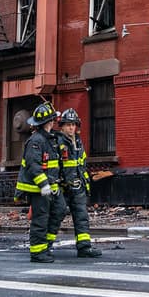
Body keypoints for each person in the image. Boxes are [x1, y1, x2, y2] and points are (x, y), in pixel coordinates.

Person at [15, 101, 64, 262]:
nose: (54, 122)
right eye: (52, 120)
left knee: (59, 211)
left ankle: (46, 245)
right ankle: (37, 252)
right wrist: (43, 185)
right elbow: (34, 166)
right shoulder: (36, 141)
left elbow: (53, 165)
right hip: (38, 188)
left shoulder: (50, 139)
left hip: (52, 186)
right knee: (40, 219)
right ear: (48, 122)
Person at [55, 107, 102, 258]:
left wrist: (84, 183)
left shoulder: (79, 143)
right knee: (56, 216)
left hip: (78, 187)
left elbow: (81, 165)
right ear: (61, 126)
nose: (71, 127)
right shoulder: (57, 142)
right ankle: (43, 247)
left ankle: (84, 248)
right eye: (68, 124)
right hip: (62, 188)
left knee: (82, 217)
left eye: (73, 124)